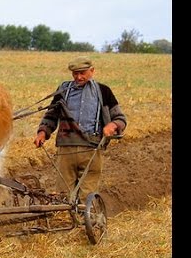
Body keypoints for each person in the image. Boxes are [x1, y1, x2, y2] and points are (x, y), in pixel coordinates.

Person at [33, 56, 127, 202]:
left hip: (92, 148)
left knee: (87, 194)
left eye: (82, 73)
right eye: (75, 73)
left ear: (92, 71)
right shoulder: (63, 90)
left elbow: (120, 118)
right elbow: (51, 115)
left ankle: (84, 219)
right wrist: (42, 133)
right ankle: (67, 220)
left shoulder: (103, 91)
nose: (79, 77)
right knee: (63, 194)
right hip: (66, 148)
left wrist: (112, 125)